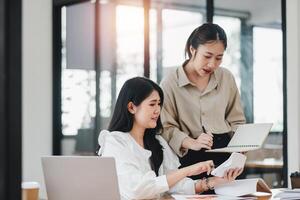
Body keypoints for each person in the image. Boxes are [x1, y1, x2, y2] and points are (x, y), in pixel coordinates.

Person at [97, 77, 242, 200]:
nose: (157, 110)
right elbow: (137, 191)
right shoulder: (115, 142)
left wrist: (213, 181)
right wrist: (187, 170)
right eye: (152, 104)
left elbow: (174, 185)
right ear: (131, 107)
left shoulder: (158, 141)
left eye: (159, 104)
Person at [160, 23, 246, 180]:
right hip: (189, 157)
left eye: (219, 58)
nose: (212, 64)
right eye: (207, 56)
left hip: (227, 155)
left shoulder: (226, 77)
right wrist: (191, 142)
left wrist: (242, 149)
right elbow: (165, 127)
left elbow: (237, 120)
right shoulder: (170, 82)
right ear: (193, 50)